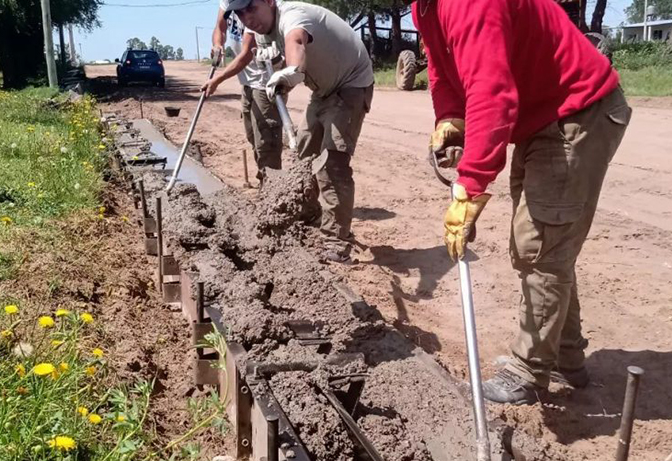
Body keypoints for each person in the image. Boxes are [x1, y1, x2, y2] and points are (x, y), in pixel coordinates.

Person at [412, 0, 632, 404]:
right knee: (547, 244)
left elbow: (490, 90)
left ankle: (529, 371)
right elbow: (444, 68)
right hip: (542, 114)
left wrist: (471, 183)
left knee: (539, 246)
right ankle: (565, 359)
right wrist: (449, 116)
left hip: (577, 109)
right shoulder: (424, 6)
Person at [224, 0, 374, 264]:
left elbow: (297, 42)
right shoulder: (262, 30)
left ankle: (336, 241)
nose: (247, 17)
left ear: (268, 1)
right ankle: (309, 214)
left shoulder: (292, 16)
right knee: (304, 153)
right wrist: (280, 70)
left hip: (351, 83)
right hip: (323, 90)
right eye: (239, 13)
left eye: (250, 8)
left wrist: (290, 71)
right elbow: (289, 55)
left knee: (332, 163)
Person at [203, 0, 283, 182]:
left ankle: (272, 188)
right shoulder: (227, 2)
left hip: (265, 80)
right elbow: (219, 27)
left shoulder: (253, 8)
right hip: (246, 81)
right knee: (252, 135)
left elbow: (247, 54)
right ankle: (266, 177)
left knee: (266, 139)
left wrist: (218, 79)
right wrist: (217, 44)